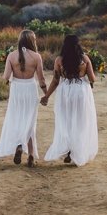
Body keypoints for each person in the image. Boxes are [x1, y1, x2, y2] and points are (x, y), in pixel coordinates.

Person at [41, 33, 98, 166]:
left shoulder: (59, 60)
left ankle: (69, 150)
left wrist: (46, 96)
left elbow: (56, 80)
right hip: (81, 92)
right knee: (80, 121)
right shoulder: (84, 59)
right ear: (78, 44)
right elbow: (92, 79)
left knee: (66, 121)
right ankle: (76, 152)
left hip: (65, 92)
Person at [0, 29, 47, 167]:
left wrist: (8, 82)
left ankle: (19, 145)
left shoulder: (11, 56)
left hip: (17, 90)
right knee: (30, 121)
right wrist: (46, 94)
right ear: (31, 41)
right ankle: (30, 155)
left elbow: (6, 77)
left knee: (17, 119)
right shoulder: (36, 56)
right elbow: (41, 79)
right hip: (30, 89)